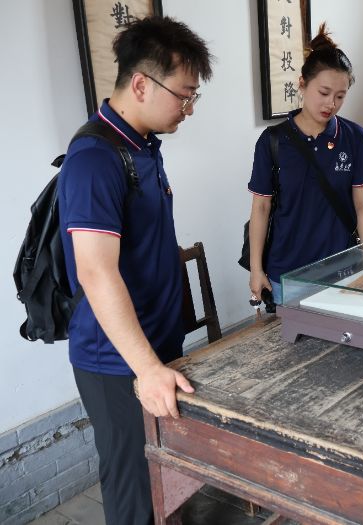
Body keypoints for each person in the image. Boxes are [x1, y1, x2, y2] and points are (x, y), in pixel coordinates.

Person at [58, 17, 213, 525]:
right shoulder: (94, 159)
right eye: (184, 95)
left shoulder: (142, 146)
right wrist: (146, 369)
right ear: (142, 84)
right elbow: (96, 273)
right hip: (117, 362)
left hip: (154, 346)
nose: (189, 108)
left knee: (167, 482)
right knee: (135, 494)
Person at [247, 23, 363, 305]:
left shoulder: (355, 137)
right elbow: (261, 207)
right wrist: (256, 270)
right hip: (287, 272)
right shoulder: (273, 141)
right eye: (324, 92)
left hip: (344, 270)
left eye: (340, 96)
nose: (331, 103)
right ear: (302, 84)